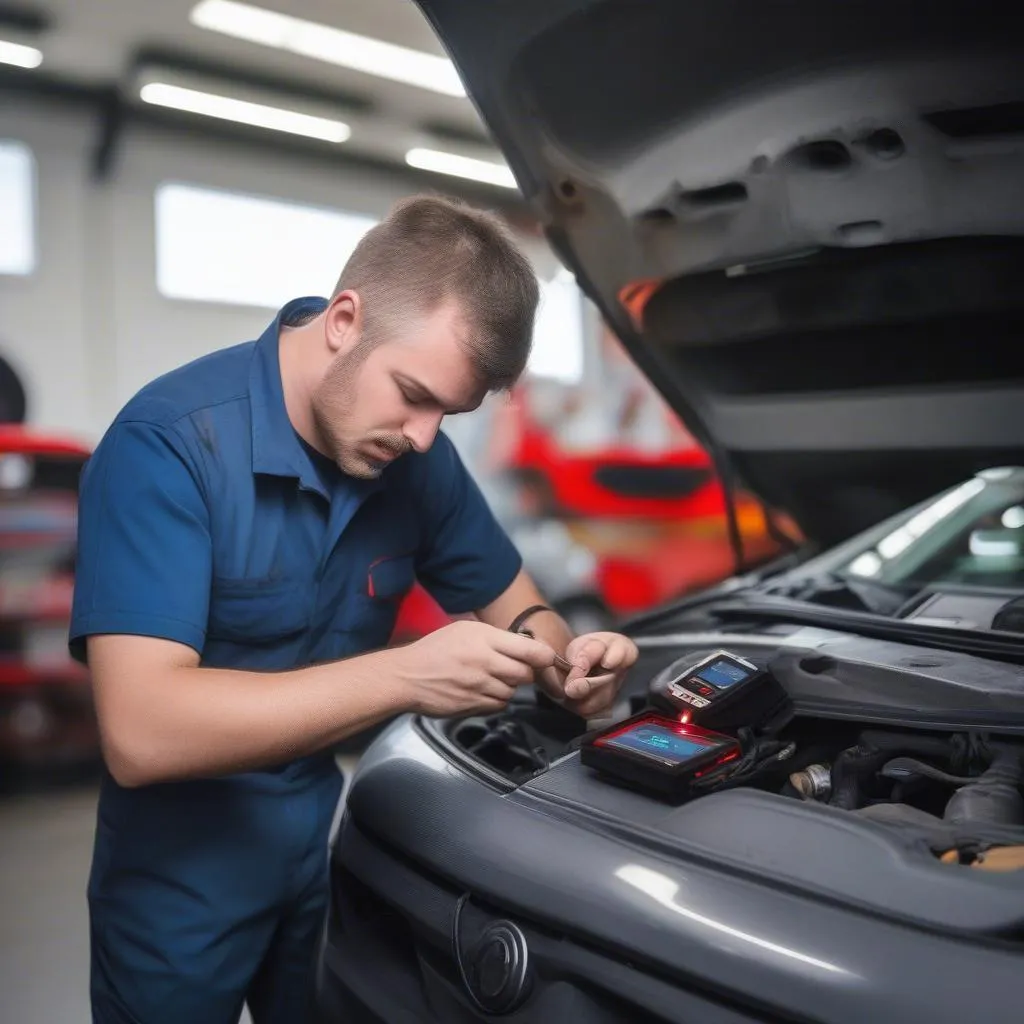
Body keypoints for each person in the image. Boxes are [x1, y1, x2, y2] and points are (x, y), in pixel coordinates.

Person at [70, 194, 639, 1024]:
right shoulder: (169, 447)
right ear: (344, 320)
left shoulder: (416, 459)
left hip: (323, 856)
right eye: (412, 394)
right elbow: (142, 731)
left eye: (448, 412)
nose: (421, 435)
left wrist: (570, 663)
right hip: (176, 879)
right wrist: (409, 674)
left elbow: (524, 611)